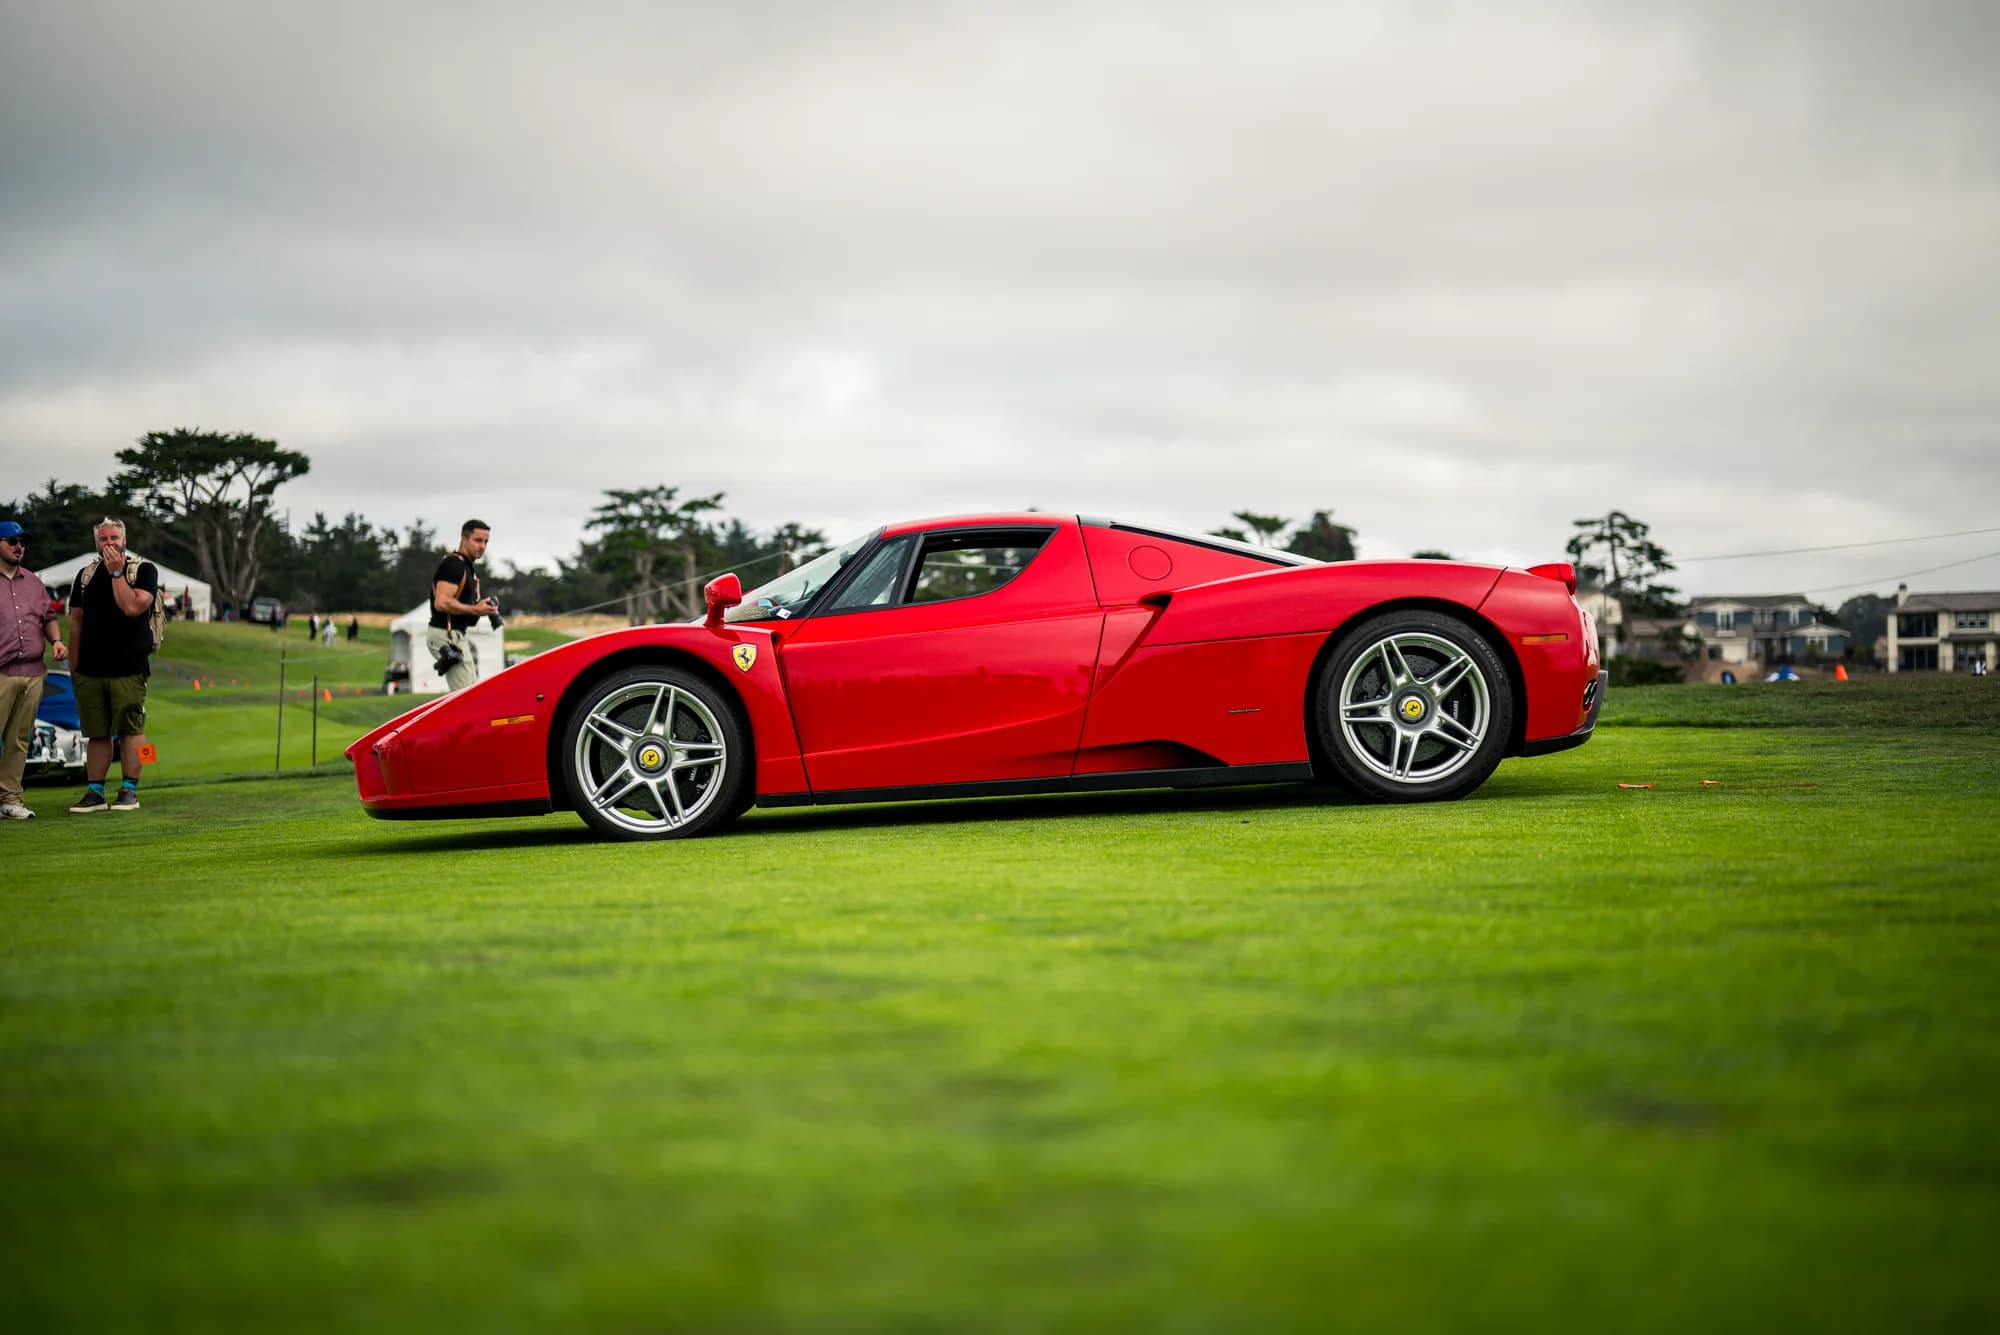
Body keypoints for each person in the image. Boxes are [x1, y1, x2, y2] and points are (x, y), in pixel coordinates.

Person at [65, 517, 157, 813]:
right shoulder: (85, 576)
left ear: (124, 540)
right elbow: (75, 621)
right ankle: (95, 792)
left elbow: (132, 607)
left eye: (114, 537)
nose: (109, 543)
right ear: (96, 543)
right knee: (97, 732)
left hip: (129, 667)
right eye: (103, 539)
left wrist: (117, 573)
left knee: (131, 729)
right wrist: (74, 666)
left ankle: (129, 789)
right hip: (90, 669)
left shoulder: (142, 570)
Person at [0, 521, 68, 820]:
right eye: (12, 541)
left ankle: (10, 799)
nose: (19, 546)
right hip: (1, 671)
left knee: (19, 739)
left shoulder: (33, 582)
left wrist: (56, 640)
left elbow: (48, 616)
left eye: (22, 542)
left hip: (32, 672)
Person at [428, 519, 497, 693]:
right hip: (445, 634)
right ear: (464, 539)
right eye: (478, 540)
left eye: (486, 542)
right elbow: (442, 602)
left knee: (471, 693)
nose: (482, 546)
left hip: (455, 635)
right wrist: (475, 609)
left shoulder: (467, 567)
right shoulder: (453, 565)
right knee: (465, 697)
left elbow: (460, 605)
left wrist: (482, 608)